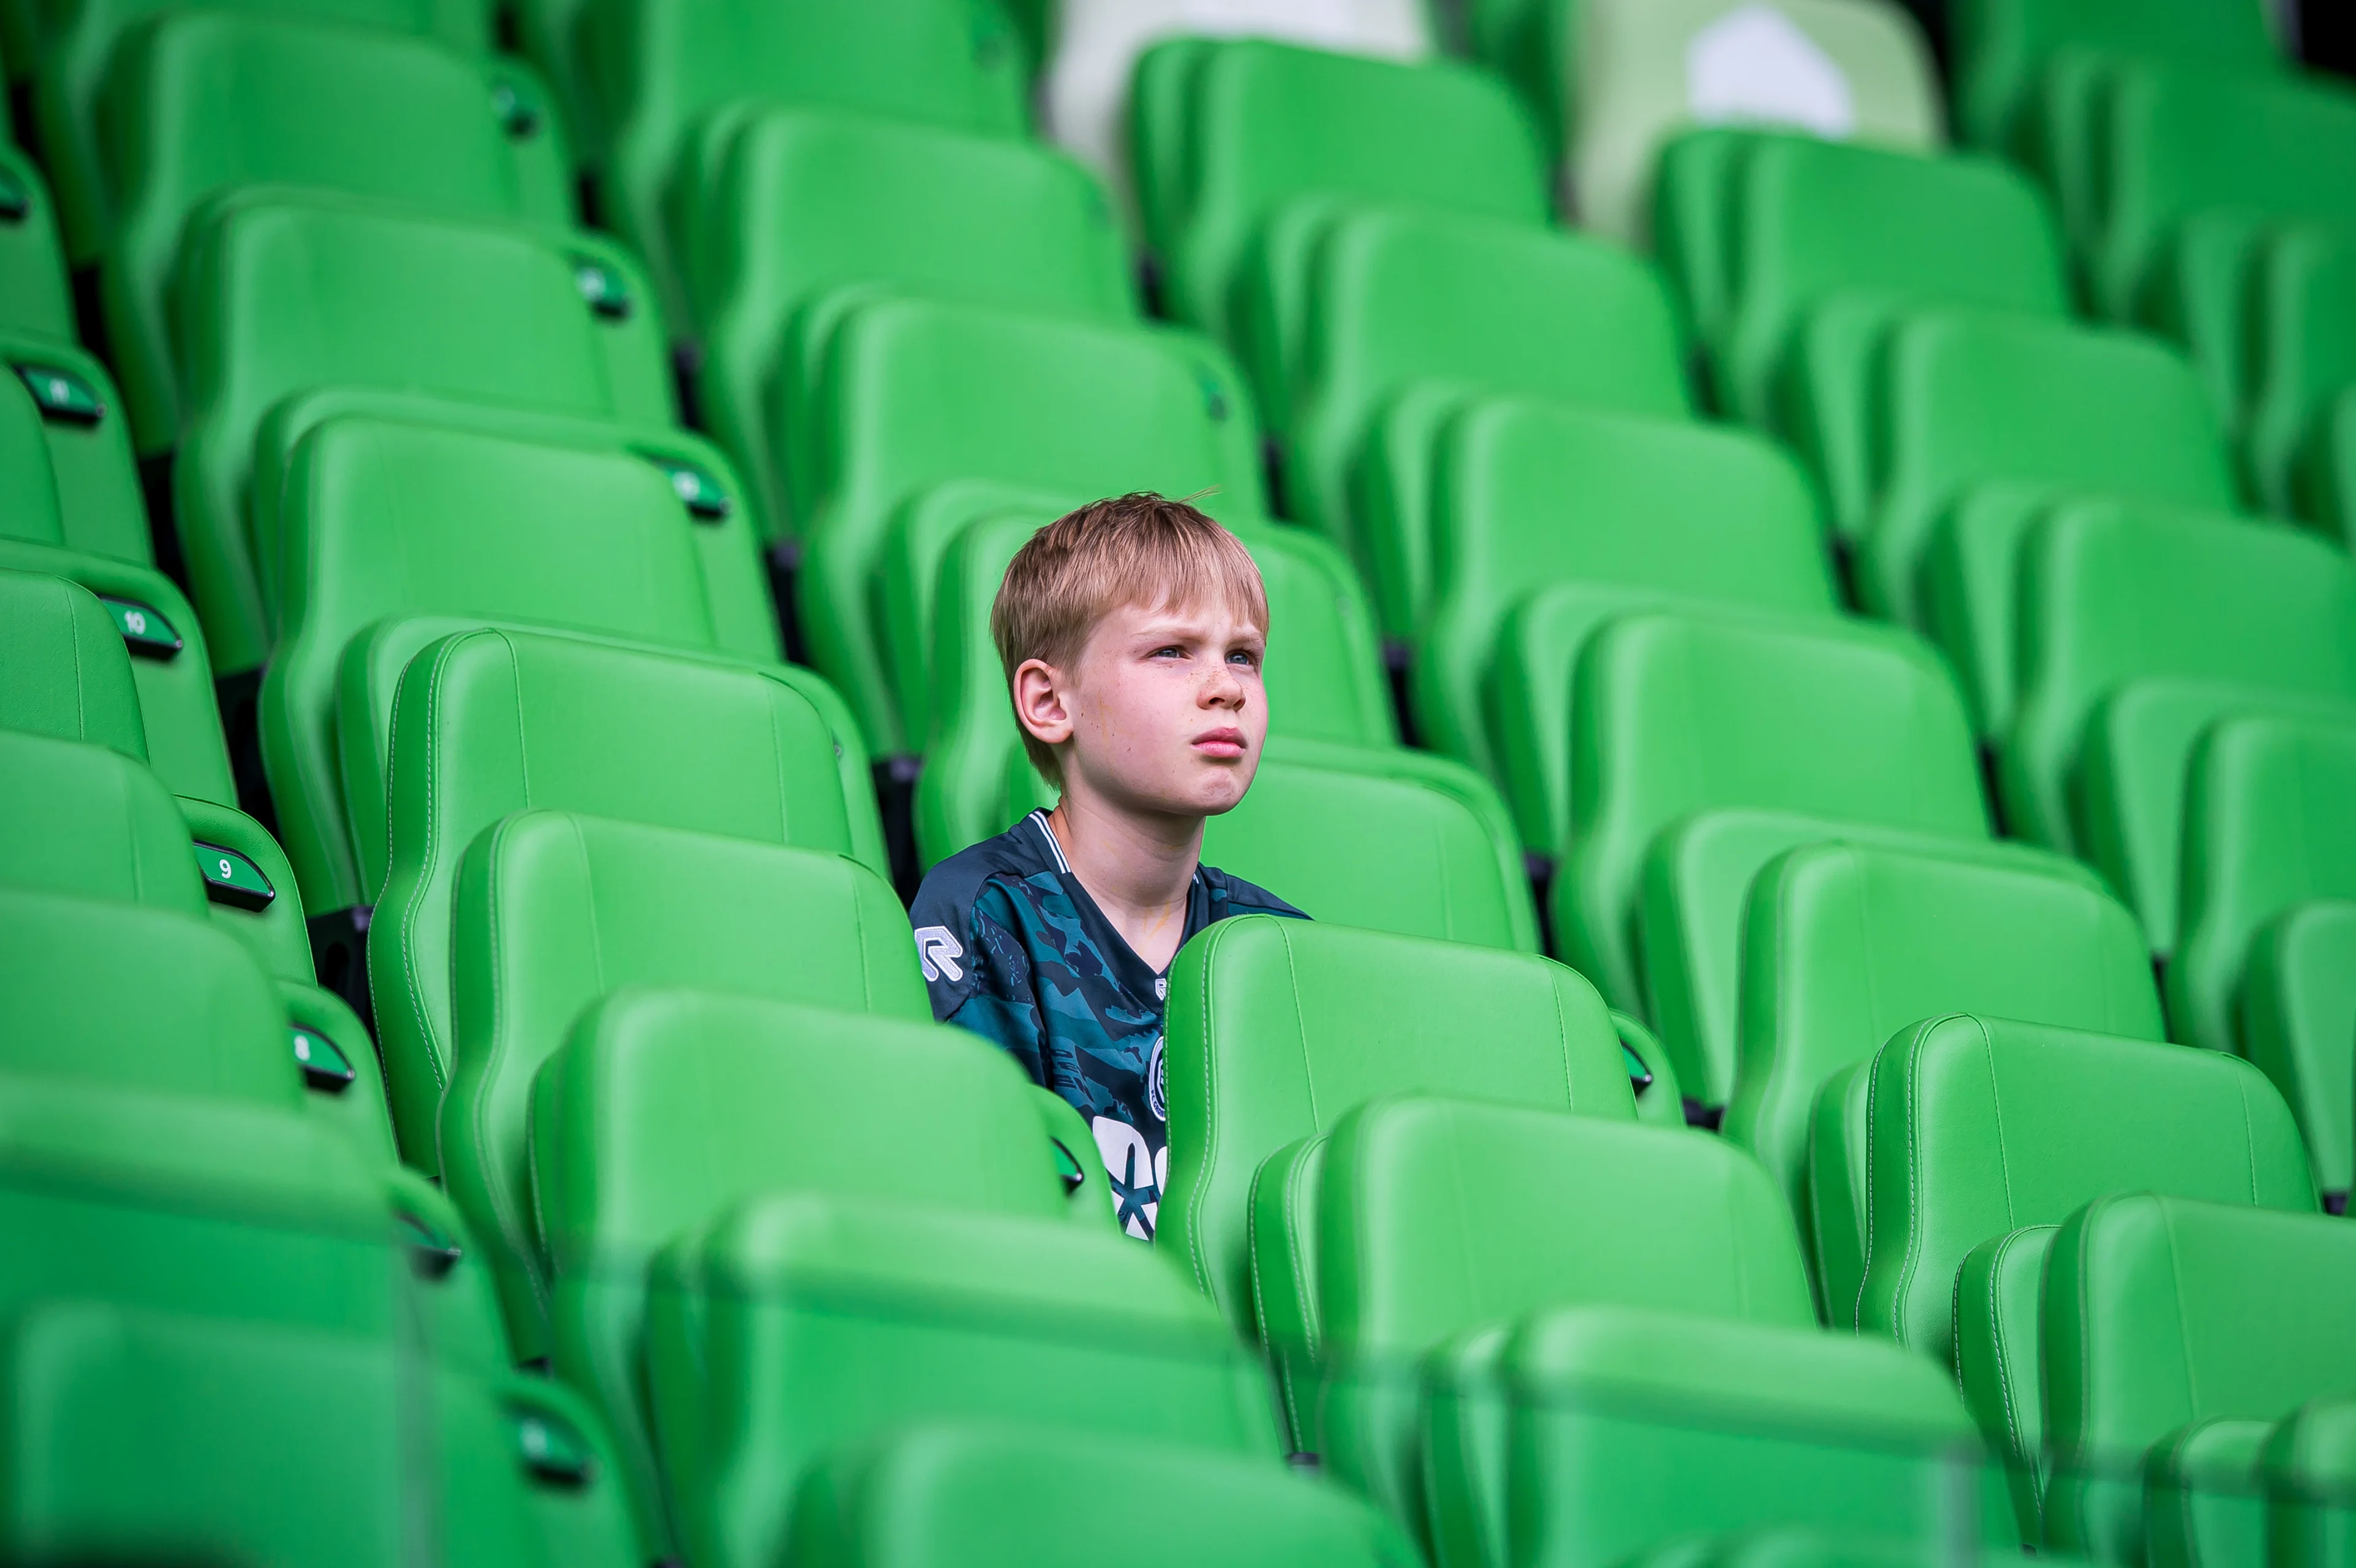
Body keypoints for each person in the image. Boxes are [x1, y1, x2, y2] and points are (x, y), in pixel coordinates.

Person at [909, 493, 1306, 1240]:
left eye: (1243, 656)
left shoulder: (1278, 949)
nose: (1226, 687)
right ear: (1049, 702)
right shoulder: (983, 913)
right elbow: (985, 1202)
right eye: (1171, 651)